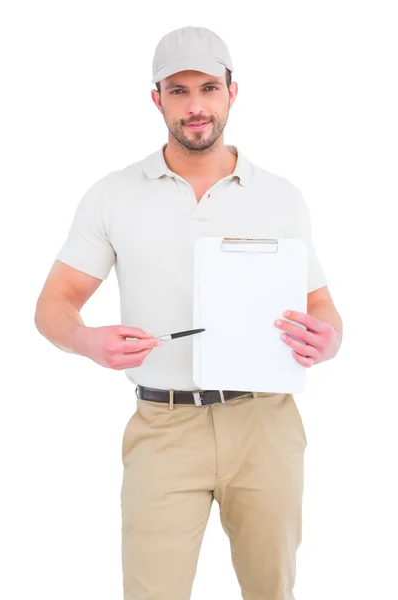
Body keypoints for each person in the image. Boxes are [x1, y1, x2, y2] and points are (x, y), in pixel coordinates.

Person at [34, 25, 343, 600]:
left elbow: (322, 306)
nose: (196, 106)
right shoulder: (113, 195)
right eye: (178, 91)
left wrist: (328, 341)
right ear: (157, 99)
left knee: (272, 589)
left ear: (232, 92)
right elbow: (53, 305)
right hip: (164, 427)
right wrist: (88, 341)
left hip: (265, 425)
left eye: (208, 88)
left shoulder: (280, 195)